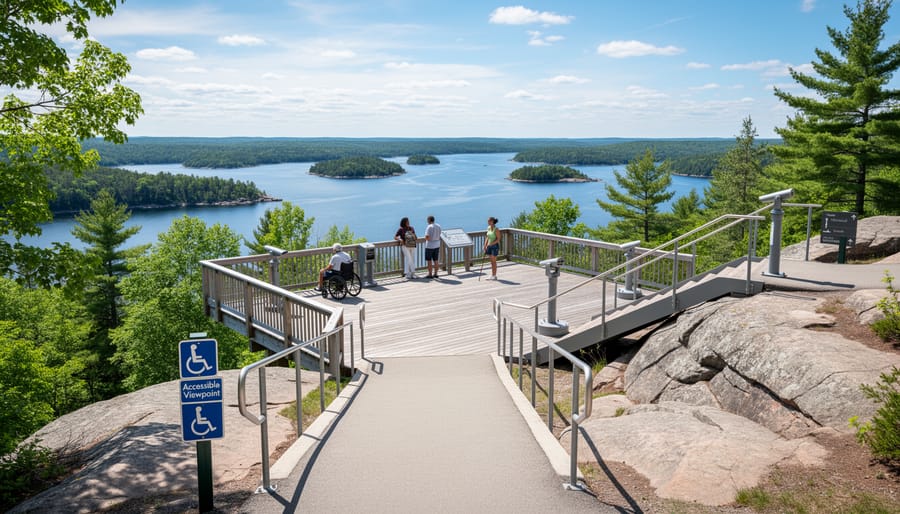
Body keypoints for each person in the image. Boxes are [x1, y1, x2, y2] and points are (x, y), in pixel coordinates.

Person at [483, 216, 501, 280]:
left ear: (493, 222)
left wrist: (491, 244)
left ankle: (494, 275)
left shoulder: (496, 229)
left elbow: (498, 239)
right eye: (488, 221)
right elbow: (487, 237)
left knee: (494, 261)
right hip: (489, 246)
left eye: (489, 221)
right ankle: (492, 275)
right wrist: (485, 245)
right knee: (491, 261)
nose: (488, 222)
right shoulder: (488, 228)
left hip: (494, 246)